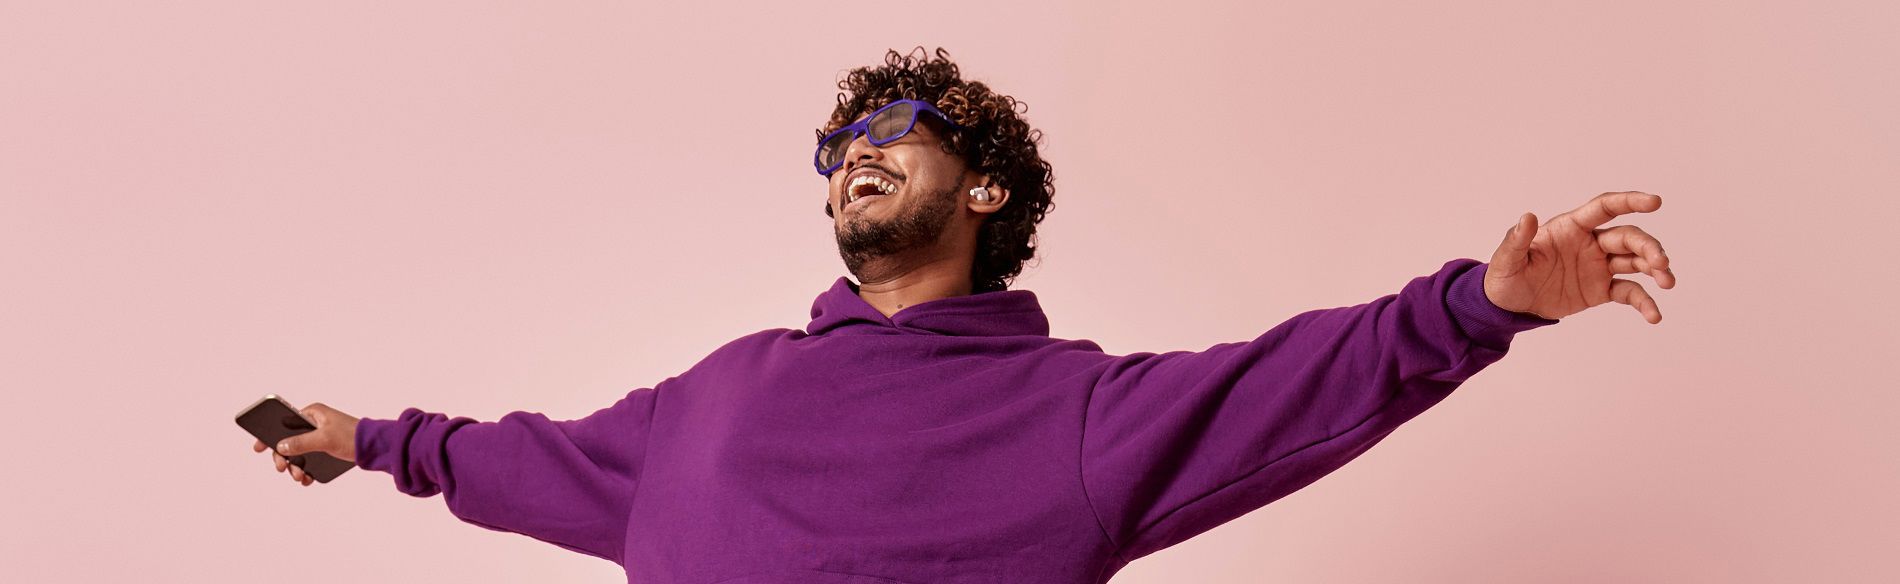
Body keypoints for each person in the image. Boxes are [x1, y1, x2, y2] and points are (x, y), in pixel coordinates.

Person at [249, 47, 1676, 583]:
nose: (857, 148)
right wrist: (363, 438)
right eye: (839, 143)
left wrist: (1481, 304)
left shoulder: (1076, 418)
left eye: (896, 126)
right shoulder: (717, 395)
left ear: (985, 187)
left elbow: (1290, 383)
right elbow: (525, 457)